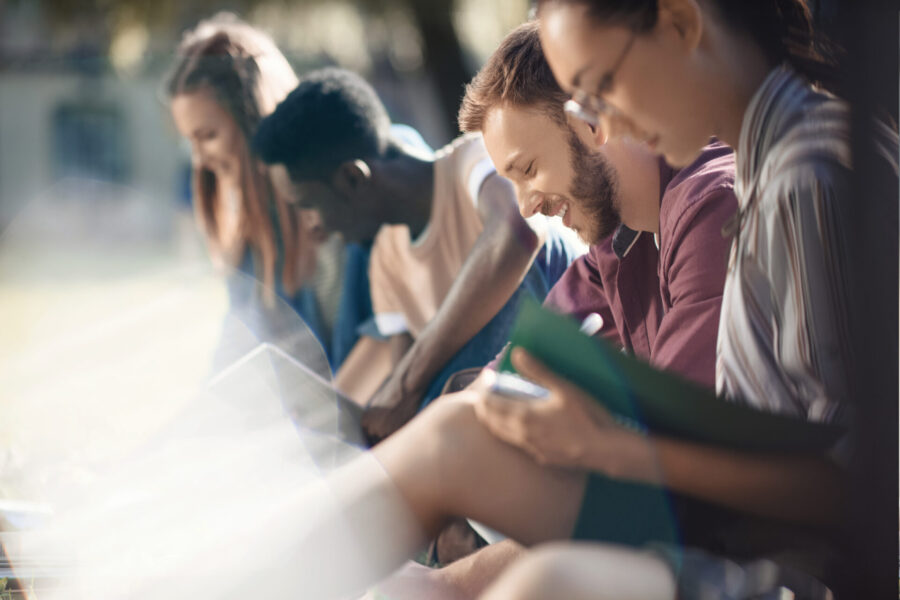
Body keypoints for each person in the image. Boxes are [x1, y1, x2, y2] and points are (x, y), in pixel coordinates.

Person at [470, 0, 899, 596]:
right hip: (764, 551)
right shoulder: (771, 165)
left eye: (602, 88)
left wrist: (611, 449)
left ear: (679, 24)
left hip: (804, 574)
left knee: (542, 582)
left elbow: (855, 491)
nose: (605, 128)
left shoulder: (802, 174)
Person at [362, 20, 737, 596]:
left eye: (528, 170)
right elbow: (510, 373)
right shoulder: (616, 243)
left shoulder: (709, 206)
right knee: (464, 413)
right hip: (682, 513)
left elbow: (677, 469)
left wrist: (458, 579)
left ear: (590, 124)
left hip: (728, 535)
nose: (529, 204)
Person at [252, 67, 583, 441]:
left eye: (308, 205)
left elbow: (518, 231)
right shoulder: (384, 262)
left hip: (571, 357)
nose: (312, 228)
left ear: (352, 179)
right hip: (493, 419)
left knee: (524, 252)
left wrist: (409, 382)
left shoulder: (473, 159)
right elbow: (404, 394)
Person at [167, 14, 374, 372]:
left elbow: (385, 337)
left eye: (208, 135)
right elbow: (236, 358)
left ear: (254, 116)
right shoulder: (252, 240)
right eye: (191, 141)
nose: (199, 159)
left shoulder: (343, 199)